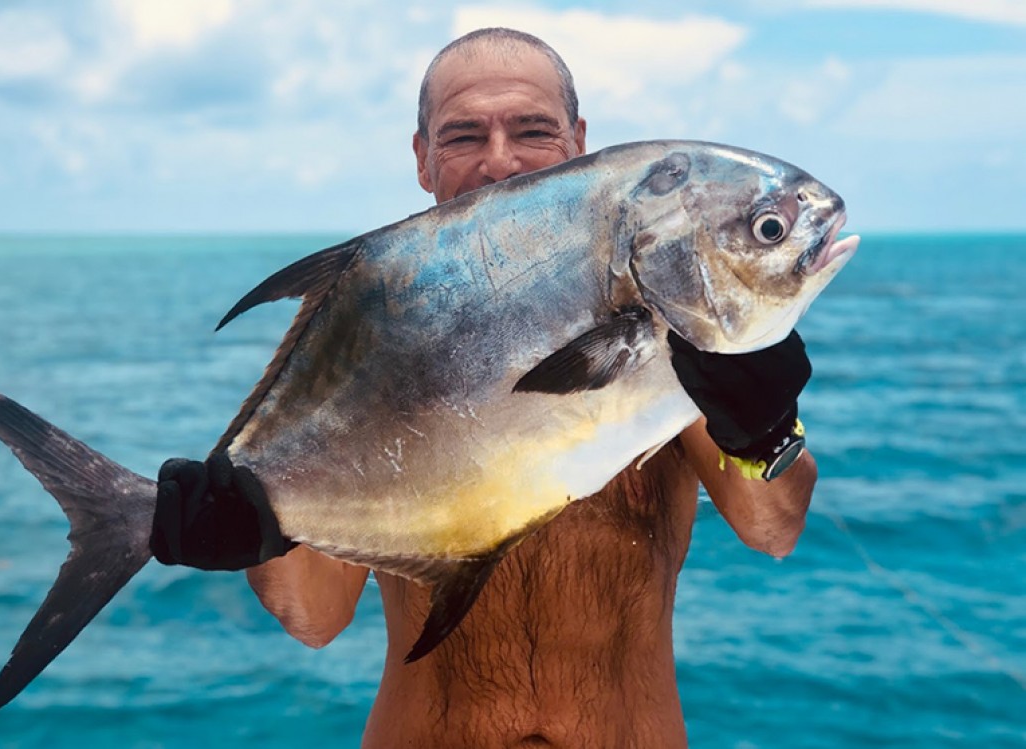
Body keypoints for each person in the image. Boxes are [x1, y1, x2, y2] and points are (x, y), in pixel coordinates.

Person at [152, 28, 817, 748]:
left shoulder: (665, 316)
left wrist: (767, 427)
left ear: (579, 140)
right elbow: (313, 616)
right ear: (422, 157)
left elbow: (772, 525)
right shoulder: (373, 338)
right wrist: (248, 528)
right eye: (464, 135)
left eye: (533, 129)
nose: (500, 160)